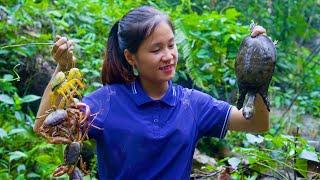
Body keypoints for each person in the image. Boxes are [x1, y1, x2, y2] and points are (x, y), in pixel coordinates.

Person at [34, 6, 269, 179]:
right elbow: (44, 127)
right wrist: (62, 70)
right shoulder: (107, 101)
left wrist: (258, 68)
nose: (168, 55)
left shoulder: (192, 104)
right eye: (156, 49)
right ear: (131, 57)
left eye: (171, 44)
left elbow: (256, 123)